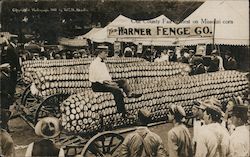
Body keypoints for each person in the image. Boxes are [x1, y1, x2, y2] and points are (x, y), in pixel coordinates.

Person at [89, 50, 142, 118]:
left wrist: (111, 82)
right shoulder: (94, 64)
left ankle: (129, 94)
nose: (107, 54)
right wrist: (109, 83)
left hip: (106, 82)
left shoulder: (102, 63)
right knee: (117, 90)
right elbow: (95, 77)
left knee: (123, 81)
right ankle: (123, 112)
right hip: (97, 85)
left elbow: (106, 76)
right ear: (99, 53)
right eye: (105, 53)